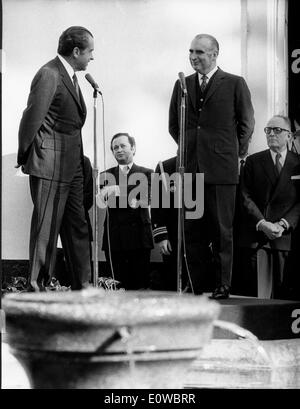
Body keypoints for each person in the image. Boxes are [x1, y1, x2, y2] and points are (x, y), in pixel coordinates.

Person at [169, 34, 255, 299]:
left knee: (221, 232)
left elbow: (247, 124)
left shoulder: (234, 83)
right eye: (191, 51)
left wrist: (230, 154)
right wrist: (190, 149)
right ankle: (197, 285)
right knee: (193, 232)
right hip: (191, 169)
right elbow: (175, 125)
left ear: (214, 54)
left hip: (221, 171)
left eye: (200, 52)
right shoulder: (183, 84)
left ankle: (222, 285)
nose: (193, 57)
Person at [17, 26, 94, 291]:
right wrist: (26, 155)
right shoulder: (49, 73)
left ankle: (83, 286)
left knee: (78, 226)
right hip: (49, 164)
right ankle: (37, 289)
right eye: (90, 51)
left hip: (73, 167)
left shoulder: (72, 77)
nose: (92, 57)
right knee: (46, 229)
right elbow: (32, 118)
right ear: (76, 52)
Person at [240, 115, 300, 299]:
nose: (271, 133)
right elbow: (244, 196)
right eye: (268, 130)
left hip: (287, 240)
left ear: (289, 136)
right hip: (259, 240)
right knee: (258, 300)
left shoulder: (298, 163)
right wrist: (262, 223)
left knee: (285, 299)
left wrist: (283, 224)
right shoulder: (253, 162)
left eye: (277, 130)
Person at [97, 133, 154, 290]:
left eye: (123, 146)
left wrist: (116, 189)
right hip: (115, 240)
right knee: (117, 288)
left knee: (140, 288)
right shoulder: (105, 176)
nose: (119, 150)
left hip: (140, 240)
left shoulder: (148, 173)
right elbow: (106, 200)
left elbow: (146, 198)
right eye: (115, 147)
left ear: (133, 148)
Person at [151, 156, 214, 293]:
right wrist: (161, 235)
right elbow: (157, 203)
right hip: (173, 235)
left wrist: (213, 235)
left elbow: (212, 202)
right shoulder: (165, 167)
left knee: (199, 284)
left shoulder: (207, 164)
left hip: (200, 234)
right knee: (173, 282)